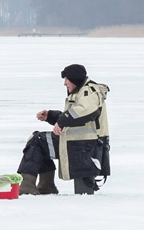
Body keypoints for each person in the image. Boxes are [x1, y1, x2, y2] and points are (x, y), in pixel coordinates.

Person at [36, 64, 111, 194]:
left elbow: (84, 112)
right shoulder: (79, 92)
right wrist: (51, 116)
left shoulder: (89, 92)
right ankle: (41, 186)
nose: (65, 83)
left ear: (75, 79)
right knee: (37, 141)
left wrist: (62, 121)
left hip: (87, 145)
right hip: (75, 141)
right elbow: (74, 116)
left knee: (84, 189)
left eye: (67, 79)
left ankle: (83, 202)